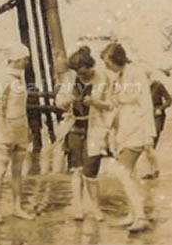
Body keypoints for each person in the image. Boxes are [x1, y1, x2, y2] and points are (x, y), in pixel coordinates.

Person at [100, 43, 156, 232]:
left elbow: (146, 104)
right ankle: (133, 213)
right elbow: (115, 103)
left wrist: (149, 135)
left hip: (136, 130)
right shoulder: (119, 76)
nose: (106, 66)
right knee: (129, 174)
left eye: (107, 62)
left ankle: (140, 216)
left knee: (122, 173)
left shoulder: (136, 74)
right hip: (124, 129)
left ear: (117, 59)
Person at [56, 46, 111, 221]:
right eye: (78, 73)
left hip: (94, 128)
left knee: (91, 173)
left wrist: (96, 102)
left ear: (90, 66)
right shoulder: (70, 78)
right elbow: (59, 101)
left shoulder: (103, 79)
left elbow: (111, 105)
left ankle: (95, 208)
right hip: (74, 127)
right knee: (77, 170)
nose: (81, 76)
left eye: (84, 72)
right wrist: (65, 102)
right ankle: (78, 208)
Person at [0, 43, 35, 223]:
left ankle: (17, 207)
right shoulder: (3, 78)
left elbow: (21, 106)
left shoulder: (20, 79)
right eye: (25, 59)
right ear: (17, 59)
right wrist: (2, 131)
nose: (27, 62)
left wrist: (27, 130)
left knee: (18, 171)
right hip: (5, 129)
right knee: (0, 170)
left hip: (20, 127)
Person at [142, 79, 172, 179]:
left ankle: (154, 170)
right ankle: (152, 170)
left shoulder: (158, 85)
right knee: (147, 146)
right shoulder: (141, 86)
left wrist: (160, 108)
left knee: (151, 144)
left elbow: (169, 100)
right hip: (145, 116)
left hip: (157, 116)